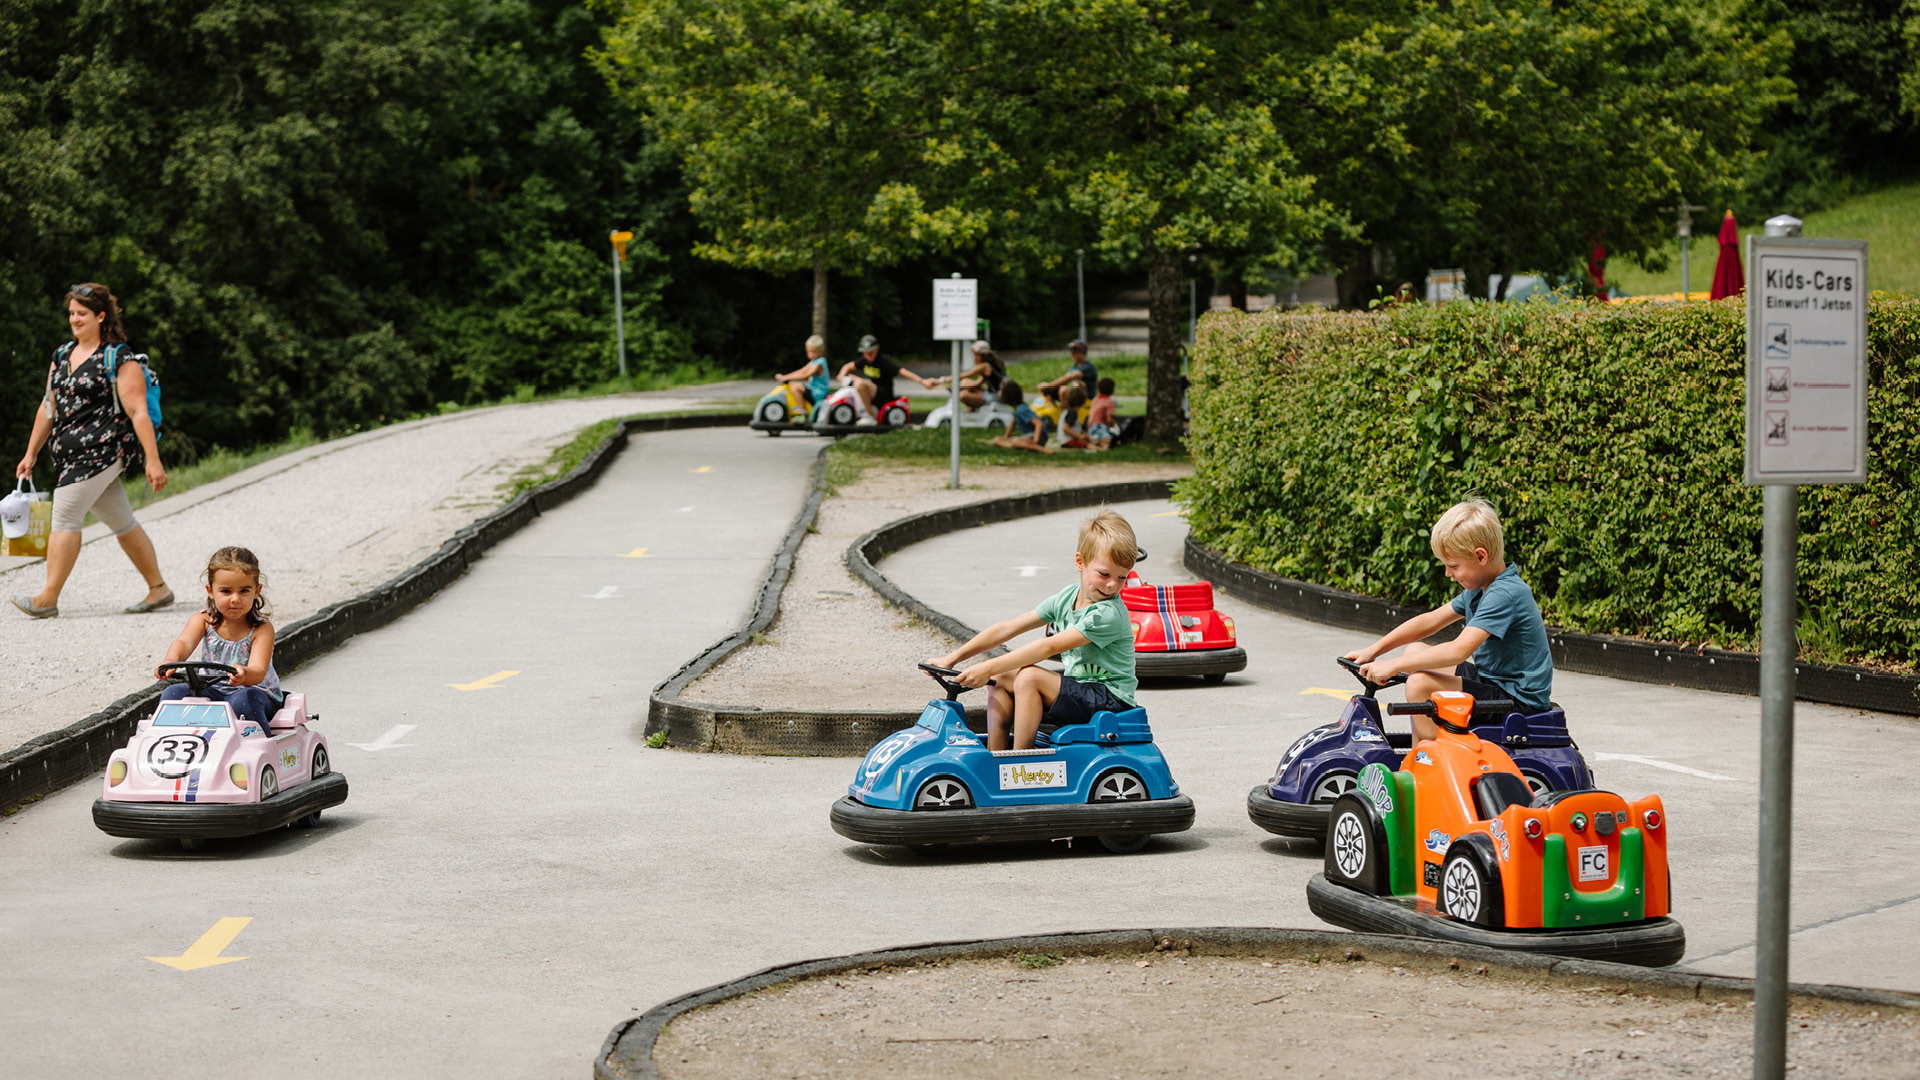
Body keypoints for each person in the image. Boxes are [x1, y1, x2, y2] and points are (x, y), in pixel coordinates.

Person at [12, 283, 170, 619]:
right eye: (71, 313)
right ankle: (159, 589)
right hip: (69, 455)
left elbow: (138, 411)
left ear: (100, 316)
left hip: (103, 451)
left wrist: (152, 461)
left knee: (65, 515)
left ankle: (47, 598)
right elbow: (47, 407)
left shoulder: (118, 357)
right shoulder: (61, 355)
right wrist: (31, 453)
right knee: (122, 521)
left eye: (81, 313)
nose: (75, 319)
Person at [1344, 499, 1553, 743]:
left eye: (1453, 565)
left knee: (1419, 684)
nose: (1448, 573)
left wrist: (1394, 665)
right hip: (1494, 682)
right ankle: (1424, 750)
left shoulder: (1505, 593)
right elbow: (1430, 621)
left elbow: (1458, 651)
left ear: (1480, 556)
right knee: (1415, 651)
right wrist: (1373, 651)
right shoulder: (1481, 588)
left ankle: (1430, 760)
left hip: (1517, 701)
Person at [929, 509, 1140, 749]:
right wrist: (952, 658)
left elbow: (1048, 646)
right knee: (1000, 677)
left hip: (1110, 699)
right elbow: (1008, 628)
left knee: (1028, 677)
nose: (1113, 584)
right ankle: (994, 757)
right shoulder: (1067, 597)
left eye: (1122, 577)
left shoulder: (1107, 614)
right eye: (1105, 574)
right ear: (1080, 562)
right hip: (1083, 692)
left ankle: (1021, 764)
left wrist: (986, 666)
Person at [155, 545, 283, 728]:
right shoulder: (204, 620)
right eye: (226, 591)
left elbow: (258, 670)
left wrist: (244, 673)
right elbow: (184, 642)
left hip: (253, 692)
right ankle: (172, 747)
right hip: (211, 691)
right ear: (210, 591)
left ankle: (257, 746)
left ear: (257, 591)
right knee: (173, 695)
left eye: (244, 591)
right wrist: (170, 660)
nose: (235, 599)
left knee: (242, 701)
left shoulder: (261, 628)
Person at [837, 334, 945, 422]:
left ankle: (869, 415)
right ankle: (859, 409)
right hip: (872, 390)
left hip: (883, 392)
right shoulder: (864, 360)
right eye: (866, 353)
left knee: (859, 383)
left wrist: (921, 381)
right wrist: (841, 375)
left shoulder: (883, 361)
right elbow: (848, 366)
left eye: (871, 353)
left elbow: (902, 371)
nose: (868, 356)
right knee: (851, 378)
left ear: (877, 349)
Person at [988, 380, 1053, 454]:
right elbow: (1012, 426)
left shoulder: (1021, 410)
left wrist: (1035, 441)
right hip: (1028, 437)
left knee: (1017, 443)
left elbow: (1039, 424)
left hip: (1038, 436)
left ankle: (1042, 450)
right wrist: (1005, 438)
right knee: (997, 439)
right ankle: (1024, 446)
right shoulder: (1017, 409)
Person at [774, 334, 832, 408]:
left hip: (818, 393)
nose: (810, 354)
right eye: (809, 352)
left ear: (821, 351)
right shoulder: (813, 362)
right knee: (792, 384)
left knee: (796, 388)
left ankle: (802, 411)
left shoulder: (820, 363)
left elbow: (806, 375)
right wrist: (785, 376)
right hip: (813, 390)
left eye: (813, 352)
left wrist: (787, 378)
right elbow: (801, 371)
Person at [955, 339, 1006, 410]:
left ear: (983, 355)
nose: (974, 357)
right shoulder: (994, 363)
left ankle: (971, 413)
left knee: (962, 395)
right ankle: (971, 412)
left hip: (993, 397)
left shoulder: (984, 366)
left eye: (976, 354)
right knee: (966, 384)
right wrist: (967, 386)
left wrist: (940, 380)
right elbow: (978, 382)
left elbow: (963, 375)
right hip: (993, 394)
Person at [1085, 376, 1118, 450]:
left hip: (1090, 426)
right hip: (1100, 426)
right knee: (1109, 441)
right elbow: (1109, 420)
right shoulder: (1109, 402)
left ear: (1098, 388)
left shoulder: (1095, 399)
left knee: (1098, 438)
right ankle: (1100, 446)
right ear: (1112, 390)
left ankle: (1095, 442)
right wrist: (1115, 423)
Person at [1057, 384, 1092, 449]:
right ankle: (1101, 449)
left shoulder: (1070, 411)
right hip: (1067, 441)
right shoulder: (1072, 412)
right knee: (1086, 444)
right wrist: (1080, 436)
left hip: (1068, 440)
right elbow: (1065, 428)